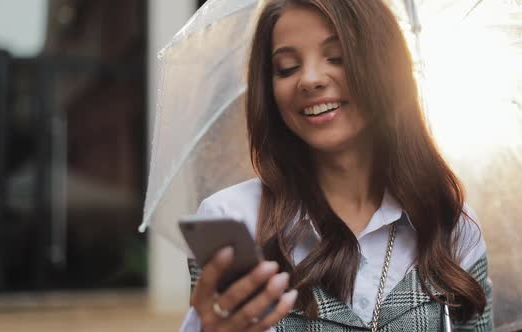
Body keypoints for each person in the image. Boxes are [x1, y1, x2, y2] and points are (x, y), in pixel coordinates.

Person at [180, 0, 493, 331]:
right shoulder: (232, 220)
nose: (310, 79)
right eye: (286, 68)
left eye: (337, 57)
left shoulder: (451, 225)